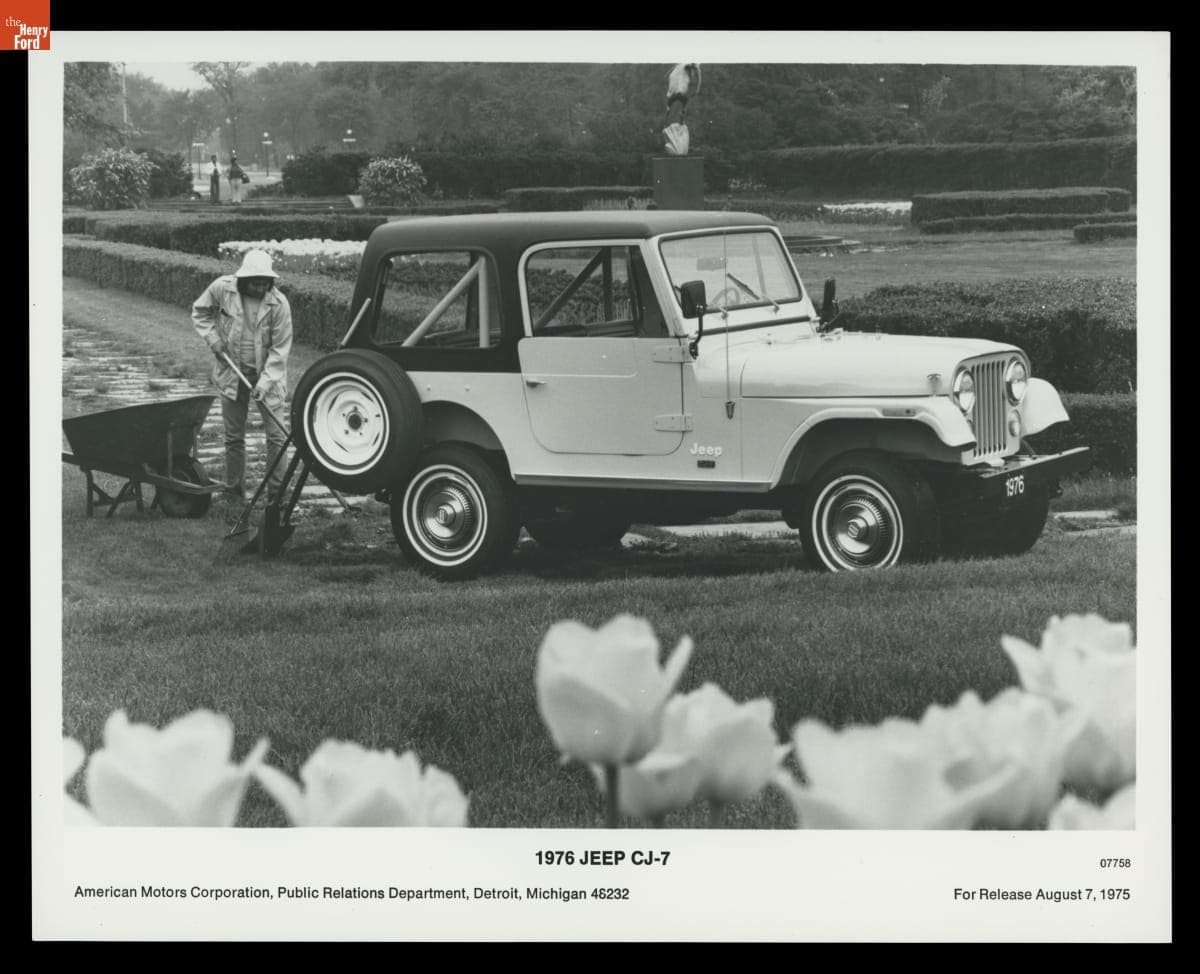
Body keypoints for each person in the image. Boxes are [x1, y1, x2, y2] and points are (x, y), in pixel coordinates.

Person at [191, 249, 293, 504]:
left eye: (264, 282)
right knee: (234, 437)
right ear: (244, 279)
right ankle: (234, 494)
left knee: (277, 437)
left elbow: (280, 350)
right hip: (232, 372)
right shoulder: (222, 289)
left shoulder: (279, 304)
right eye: (255, 282)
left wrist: (265, 382)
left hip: (269, 375)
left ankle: (277, 497)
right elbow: (200, 312)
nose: (260, 287)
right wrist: (213, 338)